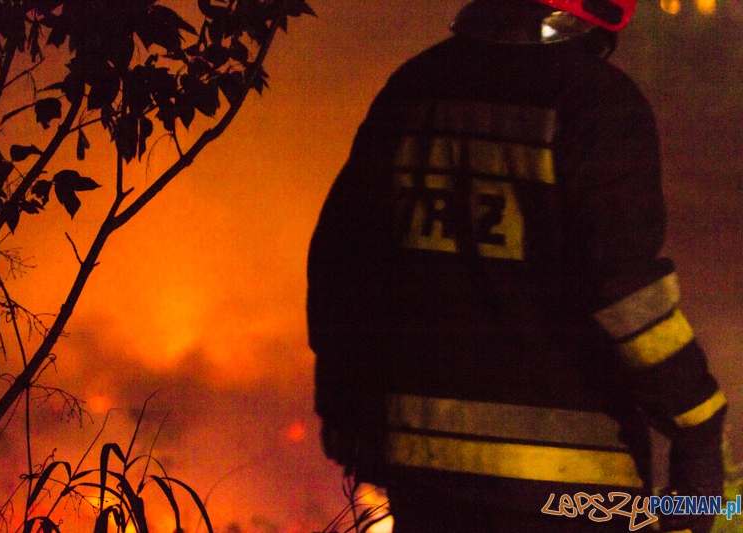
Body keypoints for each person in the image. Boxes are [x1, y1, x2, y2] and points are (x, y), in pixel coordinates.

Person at [307, 0, 727, 531]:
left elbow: (342, 262)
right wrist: (697, 418)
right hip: (568, 485)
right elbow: (626, 295)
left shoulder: (416, 87)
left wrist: (342, 400)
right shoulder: (597, 103)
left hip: (424, 471)